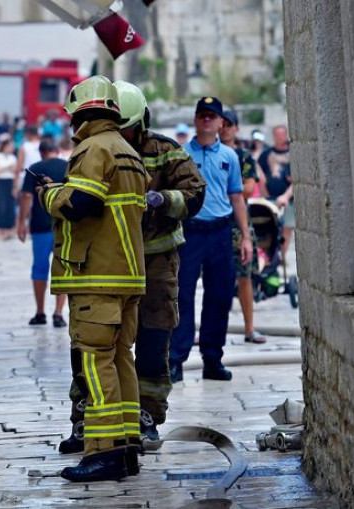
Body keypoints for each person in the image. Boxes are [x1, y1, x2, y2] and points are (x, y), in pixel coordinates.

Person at [39, 75, 149, 482]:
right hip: (128, 276)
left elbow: (82, 204)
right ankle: (127, 449)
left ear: (82, 114)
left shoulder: (93, 148)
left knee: (94, 363)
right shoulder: (128, 150)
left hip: (97, 275)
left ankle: (103, 452)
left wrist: (50, 195)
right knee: (121, 360)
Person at [110, 81, 206, 446]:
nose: (122, 134)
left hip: (156, 260)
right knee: (101, 341)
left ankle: (147, 414)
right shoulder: (97, 151)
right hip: (112, 261)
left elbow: (195, 192)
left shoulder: (164, 151)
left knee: (153, 339)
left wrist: (163, 200)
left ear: (143, 122)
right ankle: (91, 417)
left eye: (128, 127)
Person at [169, 97, 253, 384]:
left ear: (221, 123)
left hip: (219, 232)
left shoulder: (229, 157)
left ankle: (212, 359)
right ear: (195, 120)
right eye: (202, 115)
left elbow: (237, 197)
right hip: (190, 231)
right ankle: (176, 360)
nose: (207, 120)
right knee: (182, 295)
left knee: (218, 296)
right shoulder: (180, 154)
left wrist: (245, 237)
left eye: (212, 116)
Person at [220, 110, 267, 344]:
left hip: (239, 226)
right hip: (215, 222)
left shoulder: (243, 156)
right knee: (211, 279)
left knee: (244, 276)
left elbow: (248, 189)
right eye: (223, 123)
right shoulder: (209, 153)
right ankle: (212, 328)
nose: (225, 128)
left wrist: (224, 187)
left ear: (236, 128)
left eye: (229, 124)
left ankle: (250, 328)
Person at [17, 140, 67, 327]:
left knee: (39, 268)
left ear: (41, 152)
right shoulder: (69, 166)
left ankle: (40, 312)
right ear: (57, 150)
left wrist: (21, 222)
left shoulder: (35, 168)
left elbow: (27, 197)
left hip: (40, 225)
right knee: (62, 267)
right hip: (63, 225)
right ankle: (59, 313)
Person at [258, 125, 293, 259]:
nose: (279, 137)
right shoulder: (266, 154)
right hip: (270, 198)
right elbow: (259, 173)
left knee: (286, 228)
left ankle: (282, 257)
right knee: (270, 228)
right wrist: (265, 193)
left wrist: (286, 196)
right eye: (276, 135)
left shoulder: (292, 153)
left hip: (288, 198)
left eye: (281, 134)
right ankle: (271, 258)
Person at [0, 136, 17, 240]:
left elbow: (15, 173)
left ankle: (8, 230)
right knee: (0, 206)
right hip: (0, 183)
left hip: (10, 182)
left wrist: (15, 187)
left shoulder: (13, 157)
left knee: (10, 207)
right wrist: (7, 167)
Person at [14, 125, 41, 196]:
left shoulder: (24, 146)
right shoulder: (42, 145)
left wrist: (15, 185)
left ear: (29, 134)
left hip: (26, 177)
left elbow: (18, 166)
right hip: (40, 177)